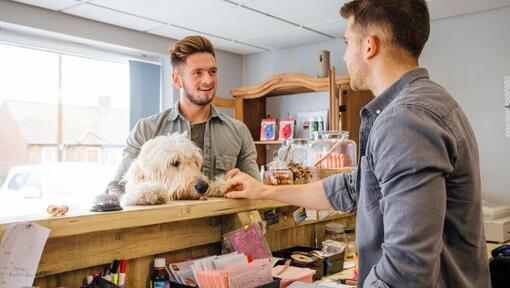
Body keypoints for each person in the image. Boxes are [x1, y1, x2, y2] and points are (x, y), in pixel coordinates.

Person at [222, 1, 490, 287]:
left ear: (369, 46)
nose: (346, 55)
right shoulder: (430, 102)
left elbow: (407, 267)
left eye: (348, 42)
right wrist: (263, 190)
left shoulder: (405, 119)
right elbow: (352, 188)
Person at [107, 35, 260, 196]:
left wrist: (242, 184)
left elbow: (257, 189)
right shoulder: (146, 130)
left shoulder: (239, 131)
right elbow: (117, 187)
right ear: (177, 80)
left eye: (212, 71)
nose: (208, 80)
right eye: (197, 73)